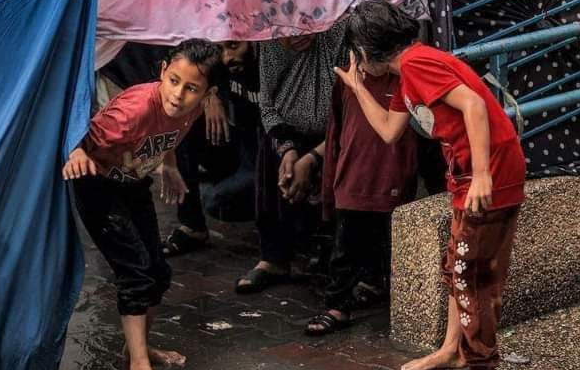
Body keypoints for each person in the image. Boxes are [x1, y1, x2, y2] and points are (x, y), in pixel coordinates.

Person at [332, 0, 526, 370]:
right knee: (457, 263)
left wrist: (483, 175)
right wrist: (356, 86)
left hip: (487, 175)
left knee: (470, 273)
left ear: (365, 52)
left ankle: (482, 367)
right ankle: (453, 349)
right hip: (467, 177)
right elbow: (388, 130)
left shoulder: (418, 64)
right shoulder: (407, 75)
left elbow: (473, 105)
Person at [63, 39, 225, 370]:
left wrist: (169, 167)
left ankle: (136, 350)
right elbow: (76, 132)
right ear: (162, 71)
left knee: (158, 273)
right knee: (135, 273)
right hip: (99, 187)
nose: (178, 95)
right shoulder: (132, 111)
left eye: (191, 88)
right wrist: (75, 152)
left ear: (206, 93)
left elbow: (168, 133)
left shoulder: (191, 110)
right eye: (173, 81)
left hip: (133, 184)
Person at [301, 53, 418, 336]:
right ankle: (337, 306)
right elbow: (336, 131)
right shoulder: (344, 79)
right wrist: (331, 181)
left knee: (392, 248)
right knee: (345, 248)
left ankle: (388, 297)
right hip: (352, 175)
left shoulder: (405, 78)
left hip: (392, 177)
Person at [236, 28, 345, 293]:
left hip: (336, 132)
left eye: (307, 25)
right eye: (291, 29)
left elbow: (351, 112)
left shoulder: (340, 34)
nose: (298, 34)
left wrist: (311, 157)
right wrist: (288, 150)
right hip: (288, 133)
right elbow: (268, 106)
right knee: (269, 152)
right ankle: (273, 258)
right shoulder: (272, 42)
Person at [162, 41, 261, 256]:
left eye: (234, 46)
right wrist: (210, 97)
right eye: (221, 49)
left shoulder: (268, 61)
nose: (227, 57)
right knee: (186, 121)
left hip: (268, 158)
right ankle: (192, 226)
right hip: (238, 150)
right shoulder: (222, 63)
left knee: (218, 202)